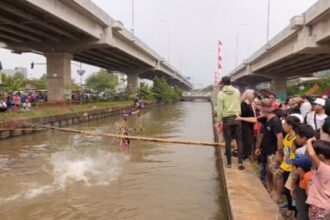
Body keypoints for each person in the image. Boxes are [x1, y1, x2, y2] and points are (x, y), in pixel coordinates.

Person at [216, 76, 244, 170]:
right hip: (237, 117)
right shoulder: (237, 91)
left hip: (227, 118)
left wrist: (218, 121)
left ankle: (229, 163)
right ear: (230, 82)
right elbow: (238, 103)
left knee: (228, 141)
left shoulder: (220, 94)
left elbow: (220, 109)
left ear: (222, 83)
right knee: (239, 140)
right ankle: (240, 163)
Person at [255, 98, 283, 182]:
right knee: (266, 169)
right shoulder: (266, 119)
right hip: (266, 149)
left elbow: (280, 137)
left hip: (273, 151)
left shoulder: (275, 121)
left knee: (274, 172)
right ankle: (267, 185)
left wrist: (279, 153)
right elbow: (261, 134)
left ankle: (274, 191)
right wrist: (258, 147)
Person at [279, 116, 301, 217]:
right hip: (286, 166)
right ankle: (290, 207)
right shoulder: (287, 135)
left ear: (290, 126)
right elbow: (285, 151)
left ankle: (295, 211)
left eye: (285, 124)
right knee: (286, 189)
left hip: (293, 167)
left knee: (292, 190)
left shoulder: (297, 139)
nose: (283, 126)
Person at [305, 139, 330, 220]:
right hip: (322, 206)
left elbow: (311, 154)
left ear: (320, 157)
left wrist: (308, 141)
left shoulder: (324, 168)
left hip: (320, 208)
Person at [288, 155, 312, 220]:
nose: (291, 168)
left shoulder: (308, 177)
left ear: (299, 169)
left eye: (293, 166)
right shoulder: (301, 176)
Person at [240, 89, 256, 159]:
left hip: (250, 123)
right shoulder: (244, 103)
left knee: (249, 138)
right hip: (245, 123)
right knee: (246, 139)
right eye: (253, 95)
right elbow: (244, 113)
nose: (253, 96)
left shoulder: (250, 103)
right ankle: (245, 154)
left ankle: (247, 153)